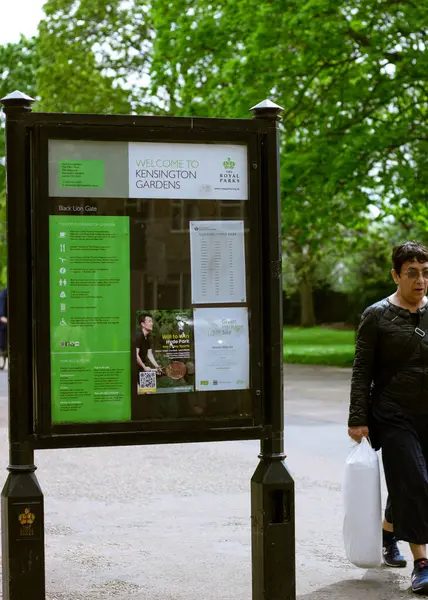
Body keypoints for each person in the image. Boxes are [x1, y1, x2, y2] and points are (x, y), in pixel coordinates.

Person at [348, 241, 428, 595]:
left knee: (411, 481)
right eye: (412, 273)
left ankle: (387, 532)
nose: (421, 280)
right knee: (414, 481)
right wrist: (357, 418)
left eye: (425, 273)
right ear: (396, 275)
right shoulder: (376, 315)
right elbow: (362, 370)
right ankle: (422, 564)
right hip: (393, 414)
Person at [0, 287, 7, 369]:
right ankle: (2, 348)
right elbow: (1, 315)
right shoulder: (4, 294)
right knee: (4, 326)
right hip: (2, 318)